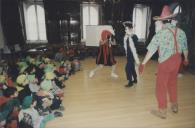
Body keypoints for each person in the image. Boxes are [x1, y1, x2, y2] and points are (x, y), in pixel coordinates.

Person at [139, 5, 189, 119]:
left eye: (158, 22)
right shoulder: (181, 32)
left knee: (160, 86)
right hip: (177, 61)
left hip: (166, 62)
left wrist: (143, 64)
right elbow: (185, 48)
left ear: (162, 21)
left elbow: (151, 50)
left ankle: (162, 110)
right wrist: (186, 59)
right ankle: (175, 105)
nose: (157, 24)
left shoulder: (160, 34)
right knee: (172, 83)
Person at [123, 21, 140, 87]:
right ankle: (135, 79)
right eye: (125, 29)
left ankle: (130, 82)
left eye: (126, 29)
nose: (125, 30)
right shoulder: (126, 36)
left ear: (130, 29)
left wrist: (131, 35)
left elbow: (135, 48)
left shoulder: (134, 36)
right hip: (129, 55)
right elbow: (126, 46)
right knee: (132, 67)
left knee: (127, 68)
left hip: (132, 55)